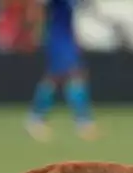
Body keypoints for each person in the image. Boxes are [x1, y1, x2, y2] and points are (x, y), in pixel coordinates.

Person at [26, 0, 98, 142]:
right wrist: (35, 30)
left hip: (65, 36)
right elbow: (39, 7)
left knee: (58, 78)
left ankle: (36, 119)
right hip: (57, 37)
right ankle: (83, 122)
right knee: (71, 75)